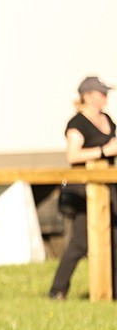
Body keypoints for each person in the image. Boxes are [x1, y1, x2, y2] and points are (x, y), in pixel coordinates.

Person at [49, 76, 117, 300]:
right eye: (101, 93)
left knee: (114, 238)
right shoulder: (77, 123)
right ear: (87, 96)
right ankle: (57, 290)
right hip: (83, 190)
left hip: (108, 186)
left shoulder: (106, 118)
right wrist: (104, 151)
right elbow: (73, 155)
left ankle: (113, 291)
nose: (105, 96)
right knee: (80, 242)